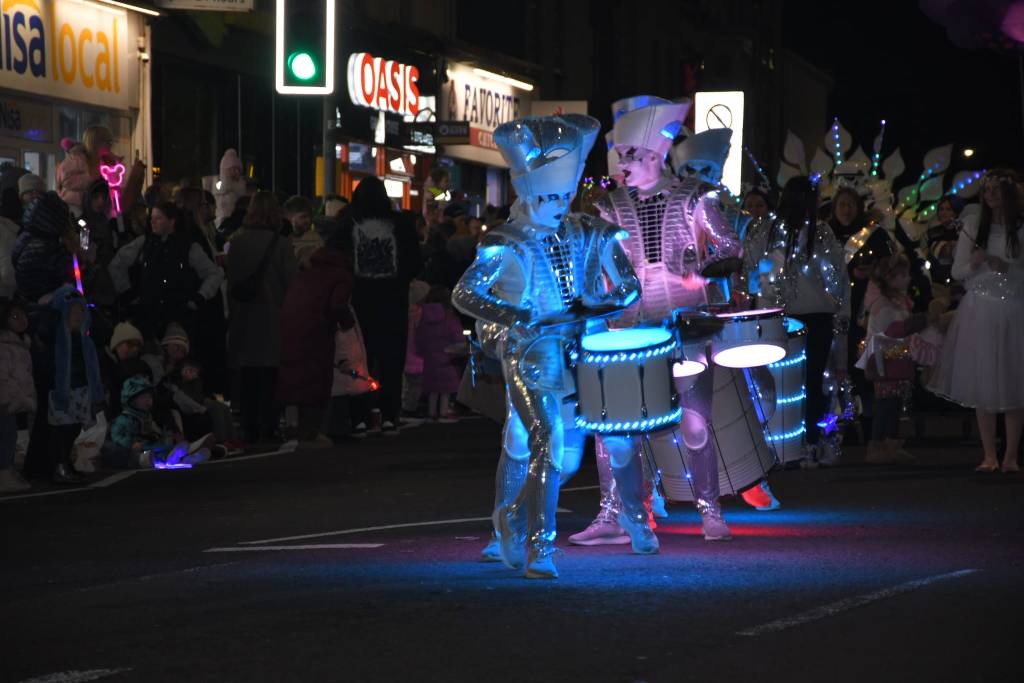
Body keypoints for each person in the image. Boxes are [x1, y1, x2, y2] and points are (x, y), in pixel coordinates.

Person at [453, 114, 641, 579]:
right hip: (530, 351)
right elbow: (465, 294)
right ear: (527, 194)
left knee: (573, 444)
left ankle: (512, 521)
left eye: (563, 195)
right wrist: (516, 316)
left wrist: (598, 303)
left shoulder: (592, 231)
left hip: (582, 348)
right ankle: (538, 548)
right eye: (548, 196)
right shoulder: (503, 241)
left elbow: (630, 287)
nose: (558, 204)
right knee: (542, 442)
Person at [746, 176, 850, 466]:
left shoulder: (767, 232)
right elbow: (837, 279)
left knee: (782, 380)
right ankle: (813, 443)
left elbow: (757, 274)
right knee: (815, 379)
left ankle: (783, 443)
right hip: (814, 314)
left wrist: (759, 303)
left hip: (780, 316)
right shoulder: (819, 233)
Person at [928, 169, 1024, 473]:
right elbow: (957, 273)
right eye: (987, 190)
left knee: (1012, 380)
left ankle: (1010, 456)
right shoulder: (973, 226)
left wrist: (1006, 268)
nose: (990, 195)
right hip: (980, 310)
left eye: (996, 190)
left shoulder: (1019, 229)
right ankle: (989, 455)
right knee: (984, 380)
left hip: (1012, 309)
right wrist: (975, 261)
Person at [334, 176, 422, 435]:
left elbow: (337, 257)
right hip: (393, 301)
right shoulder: (402, 224)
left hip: (359, 301)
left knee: (360, 357)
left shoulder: (347, 224)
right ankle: (389, 415)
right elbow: (414, 262)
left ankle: (360, 415)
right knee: (392, 359)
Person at [227, 191, 299, 445]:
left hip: (243, 317)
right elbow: (292, 284)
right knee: (270, 376)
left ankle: (248, 426)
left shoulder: (237, 242)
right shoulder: (281, 245)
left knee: (247, 376)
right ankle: (268, 426)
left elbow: (231, 283)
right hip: (272, 317)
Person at [108, 201, 224, 343]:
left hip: (178, 316)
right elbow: (117, 264)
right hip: (148, 315)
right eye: (152, 218)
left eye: (158, 218)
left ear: (171, 221)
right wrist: (127, 292)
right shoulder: (144, 243)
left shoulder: (187, 246)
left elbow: (214, 273)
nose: (153, 222)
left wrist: (199, 297)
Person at [25, 286, 104, 483]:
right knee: (60, 430)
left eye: (81, 311)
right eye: (73, 310)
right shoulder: (54, 338)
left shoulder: (85, 341)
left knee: (73, 429)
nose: (77, 315)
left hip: (80, 390)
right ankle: (58, 466)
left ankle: (65, 463)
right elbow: (44, 362)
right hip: (61, 391)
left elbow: (92, 366)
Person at [278, 245, 354, 446]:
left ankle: (293, 428)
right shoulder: (341, 276)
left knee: (296, 377)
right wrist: (347, 323)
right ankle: (311, 432)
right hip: (318, 330)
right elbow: (338, 304)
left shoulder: (306, 275)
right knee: (317, 378)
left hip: (290, 327)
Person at [858, 254, 928, 463]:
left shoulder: (897, 301)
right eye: (903, 275)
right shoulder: (884, 305)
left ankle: (890, 442)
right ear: (891, 278)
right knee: (885, 403)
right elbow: (890, 332)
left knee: (895, 402)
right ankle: (877, 443)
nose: (908, 278)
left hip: (896, 358)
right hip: (884, 361)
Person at [108, 375, 208, 469]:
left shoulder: (146, 416)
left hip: (149, 444)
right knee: (158, 450)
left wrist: (161, 435)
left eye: (149, 397)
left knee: (162, 446)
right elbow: (117, 435)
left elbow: (152, 431)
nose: (148, 400)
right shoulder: (125, 418)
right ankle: (173, 457)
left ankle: (187, 458)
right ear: (131, 400)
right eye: (143, 397)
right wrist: (130, 444)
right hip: (138, 448)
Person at [414, 286, 465, 422]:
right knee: (445, 391)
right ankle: (443, 412)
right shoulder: (449, 319)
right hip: (447, 359)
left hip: (430, 360)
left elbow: (419, 338)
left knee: (433, 389)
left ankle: (432, 412)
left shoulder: (424, 318)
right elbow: (458, 338)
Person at [0, 299, 33, 491]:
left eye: (23, 315)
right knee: (6, 435)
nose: (21, 320)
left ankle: (7, 470)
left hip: (12, 401)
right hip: (6, 402)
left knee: (9, 435)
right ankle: (4, 472)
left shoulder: (20, 343)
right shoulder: (5, 345)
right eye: (14, 316)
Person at [284, 195, 323, 269]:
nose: (308, 220)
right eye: (303, 217)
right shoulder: (282, 239)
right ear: (290, 217)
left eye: (309, 217)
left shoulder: (316, 238)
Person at [214, 149, 247, 228]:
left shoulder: (241, 186)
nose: (237, 172)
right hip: (222, 220)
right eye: (233, 169)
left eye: (238, 169)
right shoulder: (219, 185)